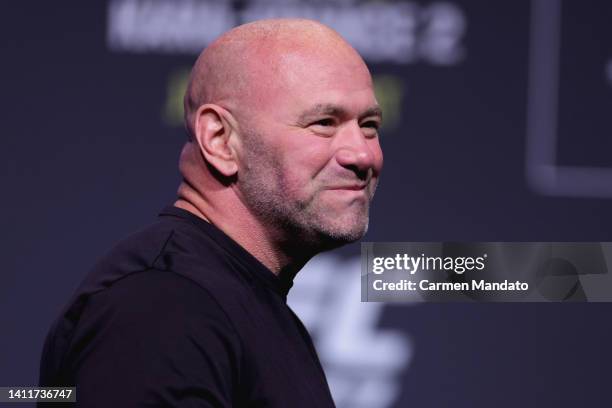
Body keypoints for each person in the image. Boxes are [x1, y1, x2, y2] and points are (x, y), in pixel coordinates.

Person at [39, 18, 383, 407]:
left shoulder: (234, 301)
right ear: (220, 140)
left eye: (369, 126)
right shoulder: (163, 305)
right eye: (323, 123)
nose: (363, 154)